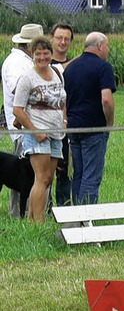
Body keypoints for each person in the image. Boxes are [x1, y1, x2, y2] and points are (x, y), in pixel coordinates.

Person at [12, 37, 66, 223]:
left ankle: (31, 219)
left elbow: (62, 100)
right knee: (41, 178)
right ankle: (38, 221)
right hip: (37, 135)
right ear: (33, 55)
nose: (42, 57)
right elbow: (17, 110)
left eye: (46, 53)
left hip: (56, 134)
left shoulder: (58, 73)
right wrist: (35, 131)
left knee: (49, 179)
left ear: (51, 54)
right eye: (38, 54)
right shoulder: (27, 78)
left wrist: (64, 119)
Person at [64, 32, 116, 205]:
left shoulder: (70, 68)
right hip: (94, 128)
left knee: (78, 174)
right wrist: (109, 123)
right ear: (100, 46)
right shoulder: (103, 67)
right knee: (91, 176)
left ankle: (75, 216)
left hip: (74, 128)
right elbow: (106, 99)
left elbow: (64, 99)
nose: (108, 50)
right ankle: (86, 217)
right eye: (107, 46)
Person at [1, 23, 44, 218]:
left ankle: (27, 211)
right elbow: (17, 89)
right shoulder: (16, 62)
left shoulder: (25, 60)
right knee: (20, 174)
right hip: (23, 126)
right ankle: (16, 213)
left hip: (31, 125)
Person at [49, 23, 75, 207]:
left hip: (67, 124)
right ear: (52, 38)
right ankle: (45, 207)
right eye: (59, 37)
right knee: (44, 170)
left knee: (65, 168)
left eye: (67, 38)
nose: (63, 42)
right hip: (45, 125)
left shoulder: (75, 67)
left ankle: (64, 206)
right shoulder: (43, 63)